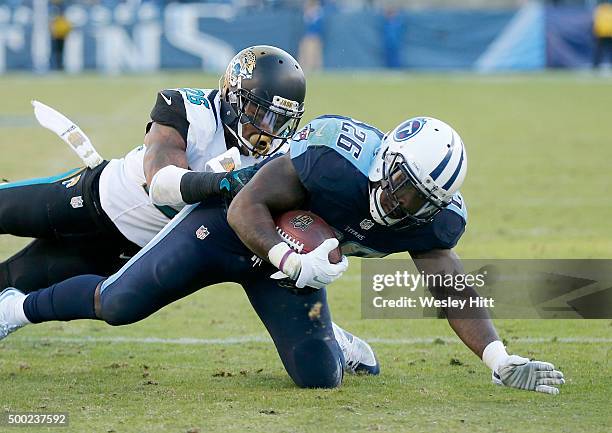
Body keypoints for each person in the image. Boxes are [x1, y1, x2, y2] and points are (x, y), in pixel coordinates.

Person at [0, 114, 564, 393]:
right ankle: (15, 309)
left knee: (319, 381)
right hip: (229, 228)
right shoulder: (334, 158)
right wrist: (292, 262)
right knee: (119, 304)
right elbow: (247, 206)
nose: (399, 199)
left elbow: (449, 288)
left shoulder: (433, 221)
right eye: (399, 181)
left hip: (294, 262)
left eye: (418, 197)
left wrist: (499, 359)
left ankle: (330, 338)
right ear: (385, 159)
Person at [0, 45, 377, 375]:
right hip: (90, 200)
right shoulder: (188, 108)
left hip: (126, 248)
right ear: (232, 94)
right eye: (259, 113)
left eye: (280, 120)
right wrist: (223, 182)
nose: (268, 129)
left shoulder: (283, 157)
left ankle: (332, 334)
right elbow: (160, 183)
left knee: (10, 284)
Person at [593, 0, 612, 68]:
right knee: (599, 51)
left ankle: (596, 65)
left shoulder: (602, 9)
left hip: (608, 33)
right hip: (602, 33)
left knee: (606, 51)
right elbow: (597, 21)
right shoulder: (600, 9)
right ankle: (596, 66)